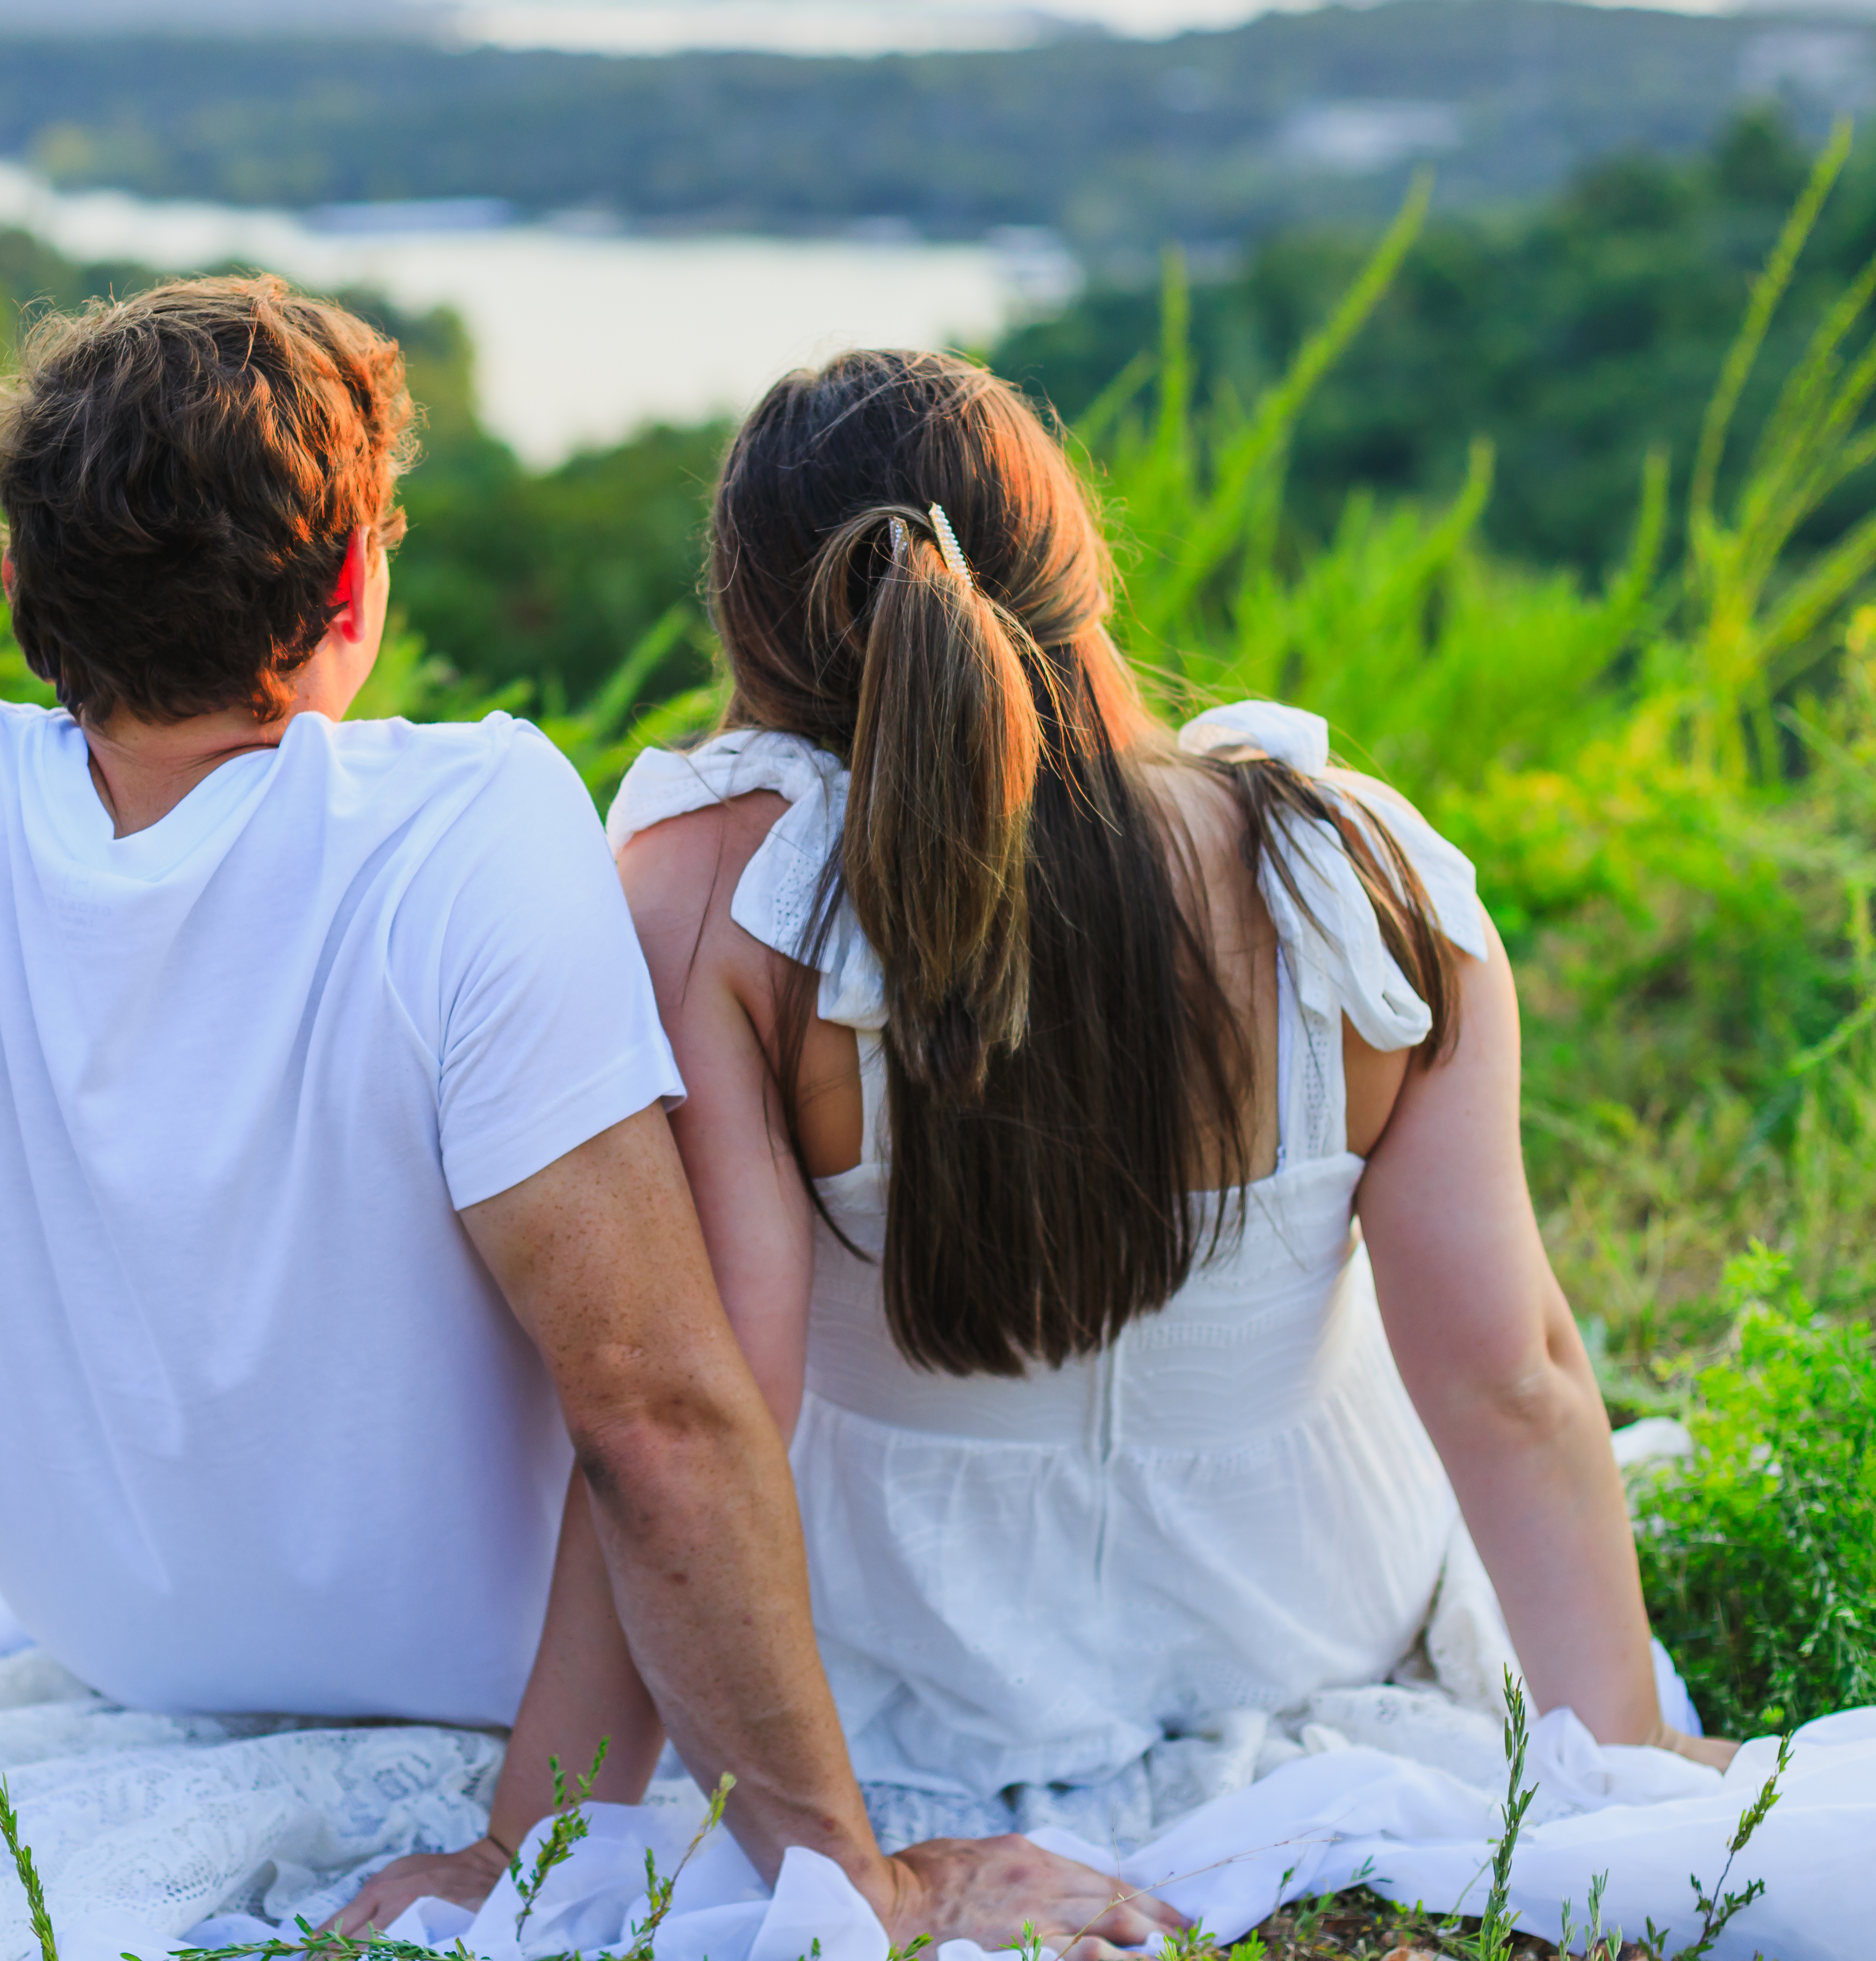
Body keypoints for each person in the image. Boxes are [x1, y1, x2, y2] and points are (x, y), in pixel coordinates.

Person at [0, 283, 1177, 1953]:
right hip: (485, 1669)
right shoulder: (467, 832)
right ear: (344, 591)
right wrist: (853, 1879)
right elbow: (651, 1412)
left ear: (18, 583)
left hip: (122, 1639)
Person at [351, 347, 1729, 1911]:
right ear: (1077, 566)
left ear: (754, 619)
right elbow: (1510, 1377)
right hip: (1302, 1616)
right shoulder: (1362, 878)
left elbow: (695, 1412)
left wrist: (526, 1842)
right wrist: (1622, 1747)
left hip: (899, 1661)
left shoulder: (722, 899)